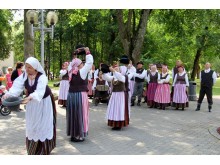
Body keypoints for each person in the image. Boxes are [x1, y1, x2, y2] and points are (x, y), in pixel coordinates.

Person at [2, 57, 56, 155]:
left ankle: (43, 150)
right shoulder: (24, 76)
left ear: (35, 68)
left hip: (44, 103)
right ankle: (33, 150)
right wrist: (8, 94)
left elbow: (39, 92)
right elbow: (17, 86)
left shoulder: (42, 77)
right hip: (32, 104)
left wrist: (29, 97)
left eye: (29, 67)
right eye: (26, 67)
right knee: (32, 125)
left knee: (43, 125)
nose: (27, 69)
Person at [66, 46, 93, 142]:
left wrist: (75, 54)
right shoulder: (81, 72)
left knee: (73, 114)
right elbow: (89, 63)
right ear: (78, 65)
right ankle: (79, 135)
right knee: (81, 114)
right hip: (80, 96)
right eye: (81, 63)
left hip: (71, 95)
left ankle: (74, 134)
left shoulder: (70, 72)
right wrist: (87, 52)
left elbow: (71, 64)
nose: (83, 65)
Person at [102, 63, 134, 131]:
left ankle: (119, 124)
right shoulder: (113, 78)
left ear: (120, 70)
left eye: (117, 68)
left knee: (119, 109)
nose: (115, 69)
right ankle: (114, 123)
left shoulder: (123, 77)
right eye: (115, 68)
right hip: (114, 95)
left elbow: (119, 76)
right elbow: (106, 77)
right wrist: (103, 71)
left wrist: (113, 71)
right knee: (113, 109)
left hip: (120, 96)